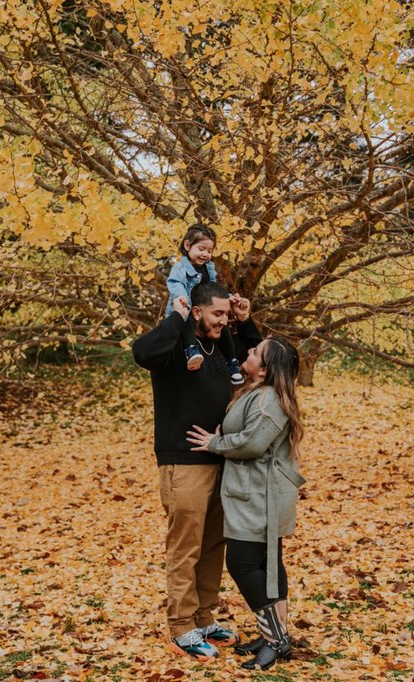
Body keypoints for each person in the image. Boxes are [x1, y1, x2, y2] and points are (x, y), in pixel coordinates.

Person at [132, 281, 261, 661]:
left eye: (226, 314)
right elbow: (141, 351)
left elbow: (257, 363)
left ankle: (204, 618)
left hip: (220, 460)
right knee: (185, 547)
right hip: (183, 462)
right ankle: (181, 627)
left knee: (212, 546)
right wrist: (177, 315)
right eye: (217, 314)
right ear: (199, 311)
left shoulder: (220, 347)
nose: (224, 321)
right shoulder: (175, 348)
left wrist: (245, 319)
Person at [185, 337, 305, 671]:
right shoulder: (262, 392)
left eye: (254, 353)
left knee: (243, 564)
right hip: (255, 492)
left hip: (259, 496)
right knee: (267, 565)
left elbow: (253, 442)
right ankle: (274, 635)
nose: (247, 352)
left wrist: (216, 442)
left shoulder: (269, 399)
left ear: (265, 369)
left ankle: (276, 640)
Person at [165, 224, 244, 384]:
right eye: (201, 249)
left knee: (225, 328)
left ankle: (232, 363)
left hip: (202, 311)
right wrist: (182, 297)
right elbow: (174, 283)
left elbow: (213, 289)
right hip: (185, 308)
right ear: (187, 246)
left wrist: (227, 297)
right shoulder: (180, 268)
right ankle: (191, 350)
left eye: (209, 251)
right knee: (186, 318)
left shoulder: (208, 269)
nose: (205, 254)